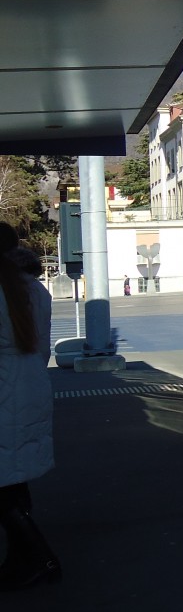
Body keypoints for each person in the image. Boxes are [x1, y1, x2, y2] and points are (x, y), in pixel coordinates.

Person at [0, 222, 60, 590]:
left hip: (5, 386)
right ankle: (21, 559)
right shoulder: (34, 288)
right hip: (29, 382)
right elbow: (41, 347)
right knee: (14, 478)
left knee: (3, 487)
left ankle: (41, 558)